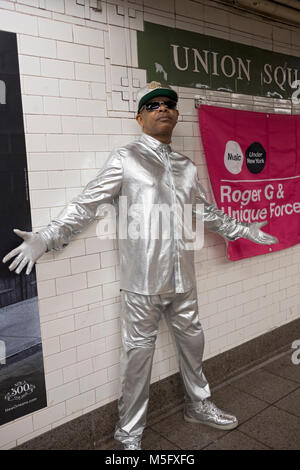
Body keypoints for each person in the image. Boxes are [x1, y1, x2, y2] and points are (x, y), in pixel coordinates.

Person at [3, 82, 278, 450]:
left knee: (194, 347)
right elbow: (87, 204)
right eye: (153, 106)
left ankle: (199, 405)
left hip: (184, 281)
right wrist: (47, 237)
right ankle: (129, 433)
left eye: (168, 105)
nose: (162, 109)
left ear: (176, 115)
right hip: (141, 285)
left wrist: (243, 229)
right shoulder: (126, 158)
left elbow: (205, 212)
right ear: (140, 117)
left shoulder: (186, 167)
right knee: (136, 360)